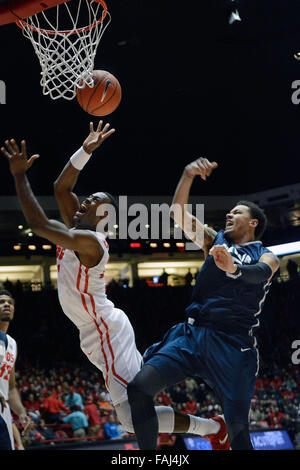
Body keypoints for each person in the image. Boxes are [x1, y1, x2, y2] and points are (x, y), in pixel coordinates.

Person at [1, 123, 233, 446]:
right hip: (96, 331)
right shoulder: (79, 229)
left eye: (91, 202)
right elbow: (60, 189)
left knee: (132, 415)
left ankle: (214, 429)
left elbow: (39, 224)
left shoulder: (91, 242)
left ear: (104, 217)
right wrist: (85, 150)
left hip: (104, 330)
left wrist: (18, 176)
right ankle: (215, 428)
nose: (82, 202)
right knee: (130, 418)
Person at [127, 156, 280, 450]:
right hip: (192, 335)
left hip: (233, 344)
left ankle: (224, 432)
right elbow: (178, 213)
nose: (229, 216)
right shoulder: (214, 240)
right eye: (229, 212)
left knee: (238, 430)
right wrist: (187, 175)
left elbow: (261, 273)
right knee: (139, 389)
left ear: (253, 222)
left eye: (237, 212)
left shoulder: (266, 254)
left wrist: (233, 269)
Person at [0, 290, 32, 450]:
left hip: (3, 412)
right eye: (2, 302)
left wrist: (21, 413)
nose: (7, 304)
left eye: (10, 302)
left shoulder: (12, 344)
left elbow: (11, 387)